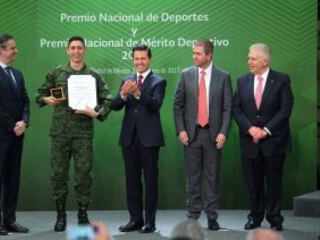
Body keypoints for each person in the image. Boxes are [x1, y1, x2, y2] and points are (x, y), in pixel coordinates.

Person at [36, 36, 112, 232]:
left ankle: (82, 214)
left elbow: (108, 100)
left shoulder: (93, 75)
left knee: (84, 175)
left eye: (80, 48)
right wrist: (47, 99)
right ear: (67, 51)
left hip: (83, 134)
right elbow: (39, 95)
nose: (76, 51)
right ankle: (60, 216)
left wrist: (96, 113)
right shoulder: (57, 72)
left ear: (84, 51)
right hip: (60, 133)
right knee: (58, 175)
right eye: (73, 48)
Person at [233, 43, 294, 231]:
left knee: (274, 183)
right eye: (248, 57)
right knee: (254, 183)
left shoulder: (282, 80)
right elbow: (237, 109)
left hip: (274, 143)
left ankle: (275, 218)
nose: (248, 61)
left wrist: (265, 130)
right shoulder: (242, 81)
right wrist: (250, 129)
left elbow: (285, 110)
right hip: (250, 142)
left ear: (265, 61)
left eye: (253, 58)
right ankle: (255, 217)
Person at [173, 39, 232, 231]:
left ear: (209, 55)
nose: (194, 56)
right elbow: (178, 105)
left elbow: (227, 108)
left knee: (212, 177)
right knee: (192, 178)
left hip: (213, 135)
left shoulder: (223, 76)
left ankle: (212, 216)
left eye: (198, 53)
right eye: (193, 53)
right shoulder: (185, 74)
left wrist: (223, 132)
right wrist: (181, 129)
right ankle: (192, 215)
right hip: (191, 135)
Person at [111, 45, 167, 233]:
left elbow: (155, 105)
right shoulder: (126, 80)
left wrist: (137, 93)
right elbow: (115, 106)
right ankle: (135, 219)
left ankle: (150, 222)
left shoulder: (159, 81)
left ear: (149, 60)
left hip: (149, 140)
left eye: (143, 59)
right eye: (136, 59)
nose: (139, 62)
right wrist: (123, 94)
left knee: (150, 181)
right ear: (132, 60)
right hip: (129, 139)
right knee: (132, 180)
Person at [0, 34, 30, 235]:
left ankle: (10, 220)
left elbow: (25, 100)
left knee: (13, 178)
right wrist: (13, 125)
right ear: (1, 49)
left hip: (17, 134)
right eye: (12, 48)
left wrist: (24, 121)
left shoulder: (17, 74)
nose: (16, 50)